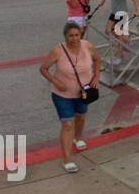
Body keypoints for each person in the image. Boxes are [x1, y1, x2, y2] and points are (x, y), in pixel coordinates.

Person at [39, 19, 101, 170]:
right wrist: (55, 81)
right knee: (67, 125)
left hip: (83, 92)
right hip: (62, 95)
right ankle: (67, 160)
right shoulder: (58, 51)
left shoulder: (88, 46)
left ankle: (77, 138)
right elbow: (43, 69)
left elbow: (97, 59)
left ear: (81, 35)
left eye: (77, 35)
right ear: (65, 36)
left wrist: (96, 76)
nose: (74, 38)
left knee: (80, 117)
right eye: (71, 36)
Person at [98, 0, 134, 69]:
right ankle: (127, 41)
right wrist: (102, 1)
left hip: (122, 15)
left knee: (119, 36)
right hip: (114, 13)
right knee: (108, 31)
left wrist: (137, 10)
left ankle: (119, 56)